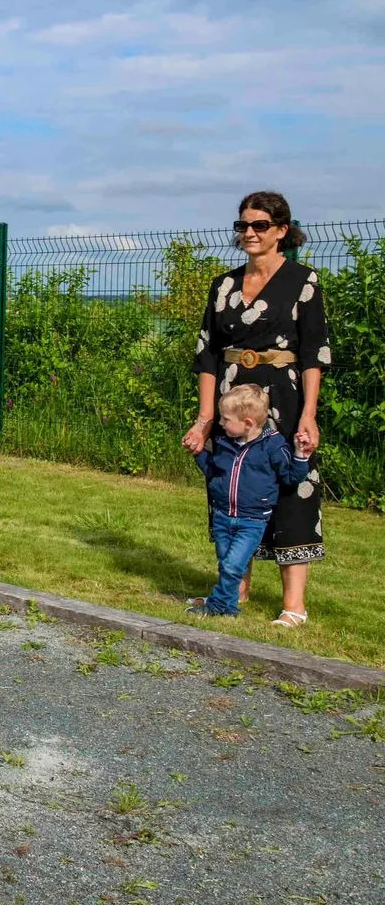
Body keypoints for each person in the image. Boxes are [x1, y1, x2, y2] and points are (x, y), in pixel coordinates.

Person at [181, 191, 332, 629]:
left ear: (281, 231)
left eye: (259, 225)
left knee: (291, 490)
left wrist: (308, 414)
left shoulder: (304, 280)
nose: (249, 232)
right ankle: (235, 588)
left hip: (283, 402)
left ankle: (294, 606)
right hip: (231, 401)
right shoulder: (223, 285)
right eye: (243, 225)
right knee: (228, 487)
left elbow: (313, 353)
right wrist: (205, 418)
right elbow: (207, 355)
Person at [186, 385, 311, 617]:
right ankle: (228, 607)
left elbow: (291, 477)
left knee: (234, 566)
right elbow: (213, 472)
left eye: (225, 419)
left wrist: (300, 456)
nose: (221, 424)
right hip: (223, 516)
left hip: (251, 521)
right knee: (226, 564)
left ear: (248, 423)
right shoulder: (225, 444)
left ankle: (215, 605)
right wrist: (198, 454)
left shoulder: (273, 446)